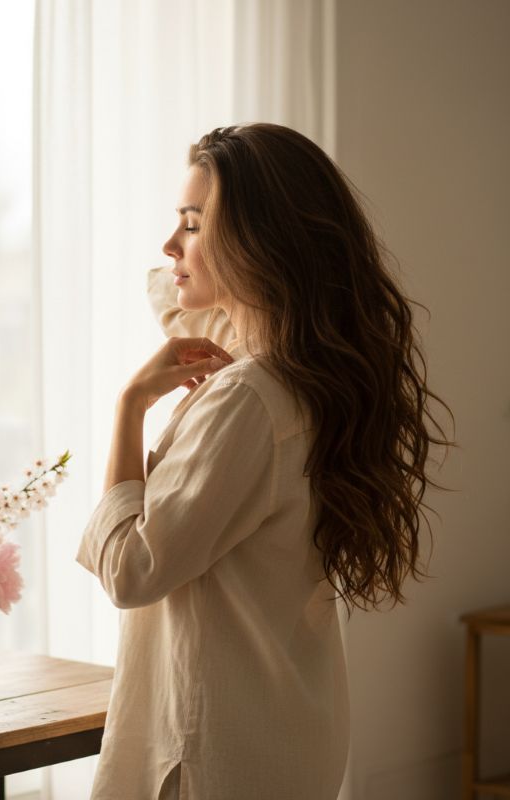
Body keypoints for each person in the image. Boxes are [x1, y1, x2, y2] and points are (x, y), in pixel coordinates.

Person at [75, 123, 452, 800]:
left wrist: (130, 406)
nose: (169, 246)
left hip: (210, 748)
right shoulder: (306, 373)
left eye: (191, 224)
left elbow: (133, 571)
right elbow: (182, 301)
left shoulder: (248, 401)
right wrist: (194, 259)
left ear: (258, 244)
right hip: (282, 729)